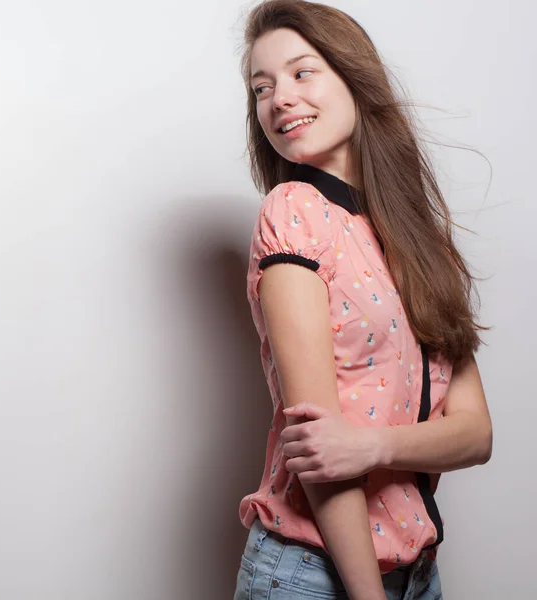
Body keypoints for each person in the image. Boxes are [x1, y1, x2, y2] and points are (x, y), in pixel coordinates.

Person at [232, 1, 493, 599]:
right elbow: (321, 455)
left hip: (419, 569)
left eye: (302, 73)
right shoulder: (294, 211)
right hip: (314, 575)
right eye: (261, 87)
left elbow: (476, 434)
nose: (279, 99)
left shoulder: (420, 241)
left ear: (354, 76)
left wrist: (371, 444)